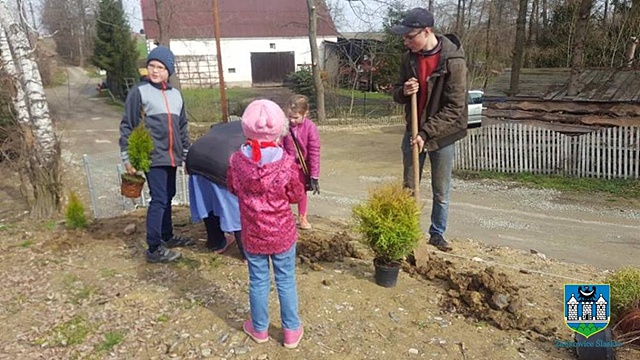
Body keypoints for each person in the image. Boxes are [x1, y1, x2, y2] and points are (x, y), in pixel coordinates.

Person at [227, 99, 305, 349]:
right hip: (282, 232)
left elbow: (232, 186)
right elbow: (295, 194)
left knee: (258, 280)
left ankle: (259, 329)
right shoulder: (285, 162)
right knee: (285, 279)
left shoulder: (237, 160)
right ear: (278, 128)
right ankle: (291, 330)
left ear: (246, 128)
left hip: (252, 233)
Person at [391, 8, 468, 252]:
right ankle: (408, 231)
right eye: (404, 37)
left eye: (409, 36)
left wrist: (426, 133)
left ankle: (437, 234)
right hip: (413, 131)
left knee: (440, 190)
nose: (406, 41)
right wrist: (404, 91)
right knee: (409, 186)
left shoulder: (454, 62)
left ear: (427, 32)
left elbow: (455, 108)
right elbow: (395, 92)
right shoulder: (408, 58)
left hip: (442, 135)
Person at [119, 46, 193, 263]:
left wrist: (186, 155)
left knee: (168, 196)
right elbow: (128, 125)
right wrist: (127, 157)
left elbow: (182, 127)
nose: (154, 71)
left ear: (169, 71)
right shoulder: (139, 92)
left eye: (160, 67)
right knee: (159, 199)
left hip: (172, 156)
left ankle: (167, 235)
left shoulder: (176, 95)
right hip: (153, 156)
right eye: (151, 66)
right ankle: (153, 248)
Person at [186, 121, 246, 260]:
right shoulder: (257, 133)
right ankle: (246, 253)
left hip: (195, 156)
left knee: (206, 202)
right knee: (236, 208)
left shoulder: (230, 126)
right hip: (222, 163)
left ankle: (216, 242)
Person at [281, 94, 321, 230]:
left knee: (301, 191)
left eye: (295, 117)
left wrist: (314, 175)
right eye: (289, 116)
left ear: (305, 114)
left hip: (301, 166)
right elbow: (279, 145)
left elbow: (315, 151)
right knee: (282, 190)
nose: (292, 120)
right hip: (286, 165)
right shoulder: (284, 126)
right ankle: (284, 216)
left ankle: (302, 217)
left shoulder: (310, 128)